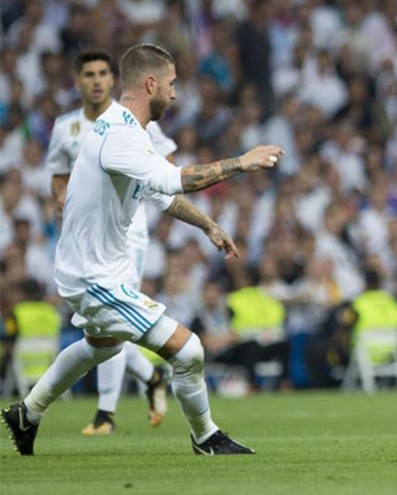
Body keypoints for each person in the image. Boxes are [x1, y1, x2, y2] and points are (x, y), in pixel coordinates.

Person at [1, 43, 285, 456]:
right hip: (93, 276)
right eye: (171, 84)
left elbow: (160, 194)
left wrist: (207, 224)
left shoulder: (126, 129)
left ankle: (27, 412)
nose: (174, 93)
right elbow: (176, 180)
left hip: (95, 269)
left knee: (103, 347)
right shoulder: (119, 134)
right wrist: (241, 162)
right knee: (189, 350)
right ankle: (206, 437)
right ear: (150, 83)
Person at [44, 50, 176, 436]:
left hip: (128, 233)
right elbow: (58, 175)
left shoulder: (130, 119)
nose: (98, 80)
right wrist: (59, 199)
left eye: (104, 73)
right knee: (104, 325)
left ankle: (106, 413)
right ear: (78, 81)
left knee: (113, 318)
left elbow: (166, 164)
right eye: (89, 74)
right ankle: (151, 377)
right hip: (84, 237)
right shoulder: (65, 128)